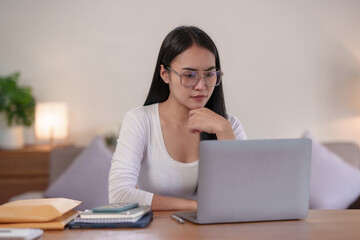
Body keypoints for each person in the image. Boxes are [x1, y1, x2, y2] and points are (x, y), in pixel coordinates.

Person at [108, 25, 247, 211]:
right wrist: (198, 207)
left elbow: (243, 195)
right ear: (165, 74)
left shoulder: (228, 125)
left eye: (210, 74)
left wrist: (224, 131)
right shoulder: (141, 120)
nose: (201, 86)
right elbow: (119, 195)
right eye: (189, 75)